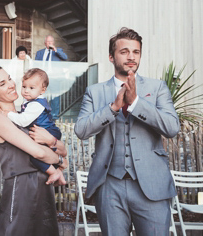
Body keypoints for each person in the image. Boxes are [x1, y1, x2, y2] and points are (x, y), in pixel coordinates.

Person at [75, 27, 180, 236]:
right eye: (124, 51)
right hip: (109, 185)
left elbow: (171, 127)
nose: (131, 57)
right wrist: (113, 108)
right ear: (111, 57)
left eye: (136, 52)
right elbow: (81, 130)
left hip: (152, 186)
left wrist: (136, 104)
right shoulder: (95, 92)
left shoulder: (157, 87)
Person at [0, 65, 67, 236]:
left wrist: (50, 140)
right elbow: (39, 153)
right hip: (21, 187)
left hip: (43, 184)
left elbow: (63, 148)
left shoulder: (28, 113)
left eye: (9, 78)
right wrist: (59, 161)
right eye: (2, 83)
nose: (11, 84)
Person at [7, 68, 64, 177]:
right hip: (45, 130)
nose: (26, 90)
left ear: (42, 90)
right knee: (44, 153)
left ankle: (54, 172)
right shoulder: (31, 100)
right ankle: (57, 167)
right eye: (24, 87)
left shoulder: (36, 104)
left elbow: (23, 121)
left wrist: (8, 114)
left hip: (48, 131)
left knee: (35, 155)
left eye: (31, 88)